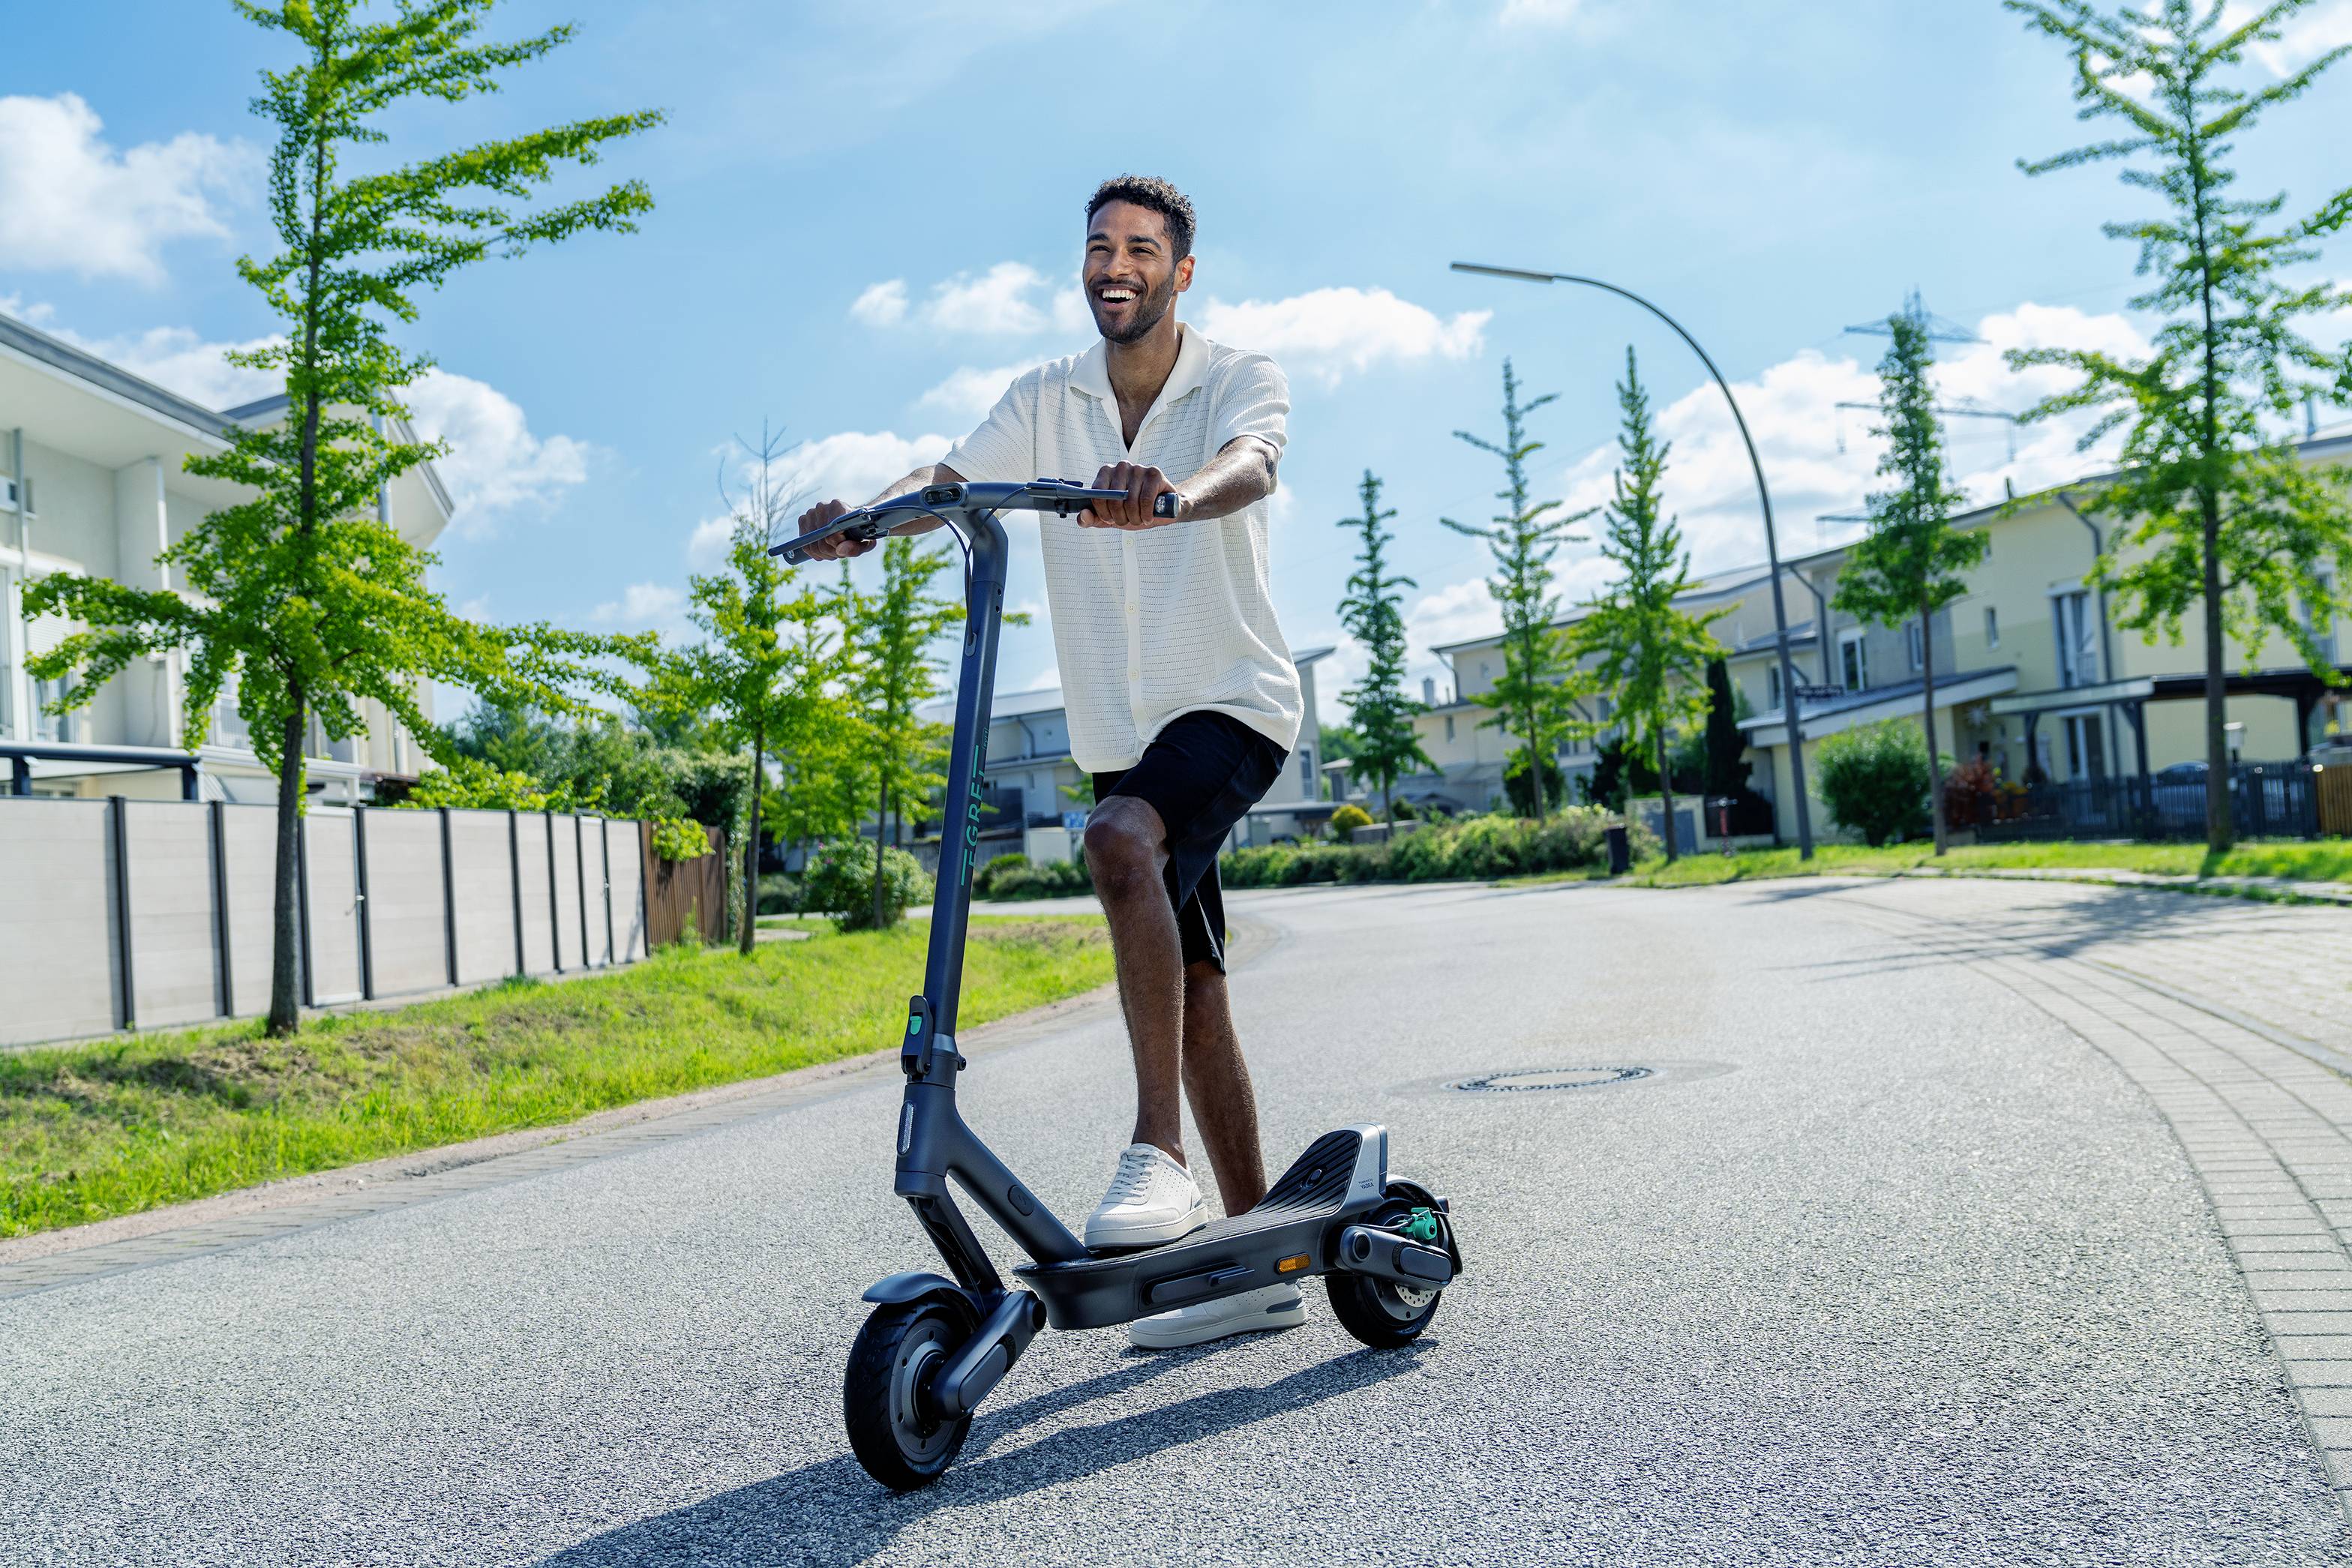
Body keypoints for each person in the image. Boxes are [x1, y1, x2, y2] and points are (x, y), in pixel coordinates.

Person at [795, 175, 1302, 1350]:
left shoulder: (1236, 376)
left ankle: (1158, 1153)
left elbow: (1253, 464)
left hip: (1231, 702)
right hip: (1123, 734)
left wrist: (1170, 497)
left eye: (1139, 249)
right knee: (1200, 982)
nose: (1112, 266)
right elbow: (951, 481)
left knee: (1120, 843)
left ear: (1180, 273)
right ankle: (1261, 1251)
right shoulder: (1047, 398)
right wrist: (861, 521)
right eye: (1096, 249)